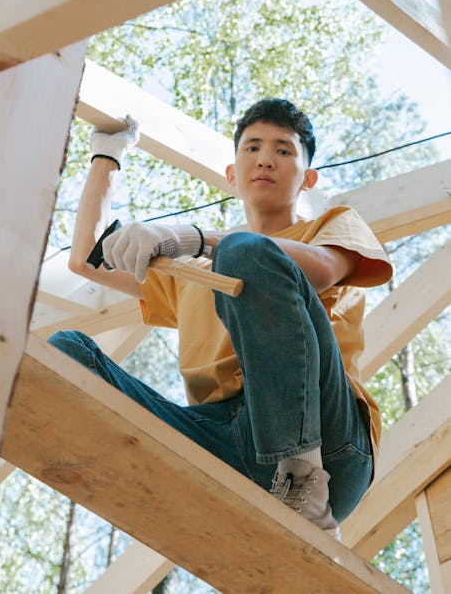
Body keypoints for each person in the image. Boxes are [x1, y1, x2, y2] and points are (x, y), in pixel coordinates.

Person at [49, 99, 393, 539]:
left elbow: (322, 269)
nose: (265, 158)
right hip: (228, 447)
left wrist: (194, 238)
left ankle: (302, 484)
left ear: (308, 179)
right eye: (251, 148)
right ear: (232, 173)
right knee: (66, 356)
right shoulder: (196, 272)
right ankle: (181, 501)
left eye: (283, 150)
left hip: (329, 445)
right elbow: (88, 260)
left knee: (242, 252)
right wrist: (107, 152)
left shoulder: (331, 226)